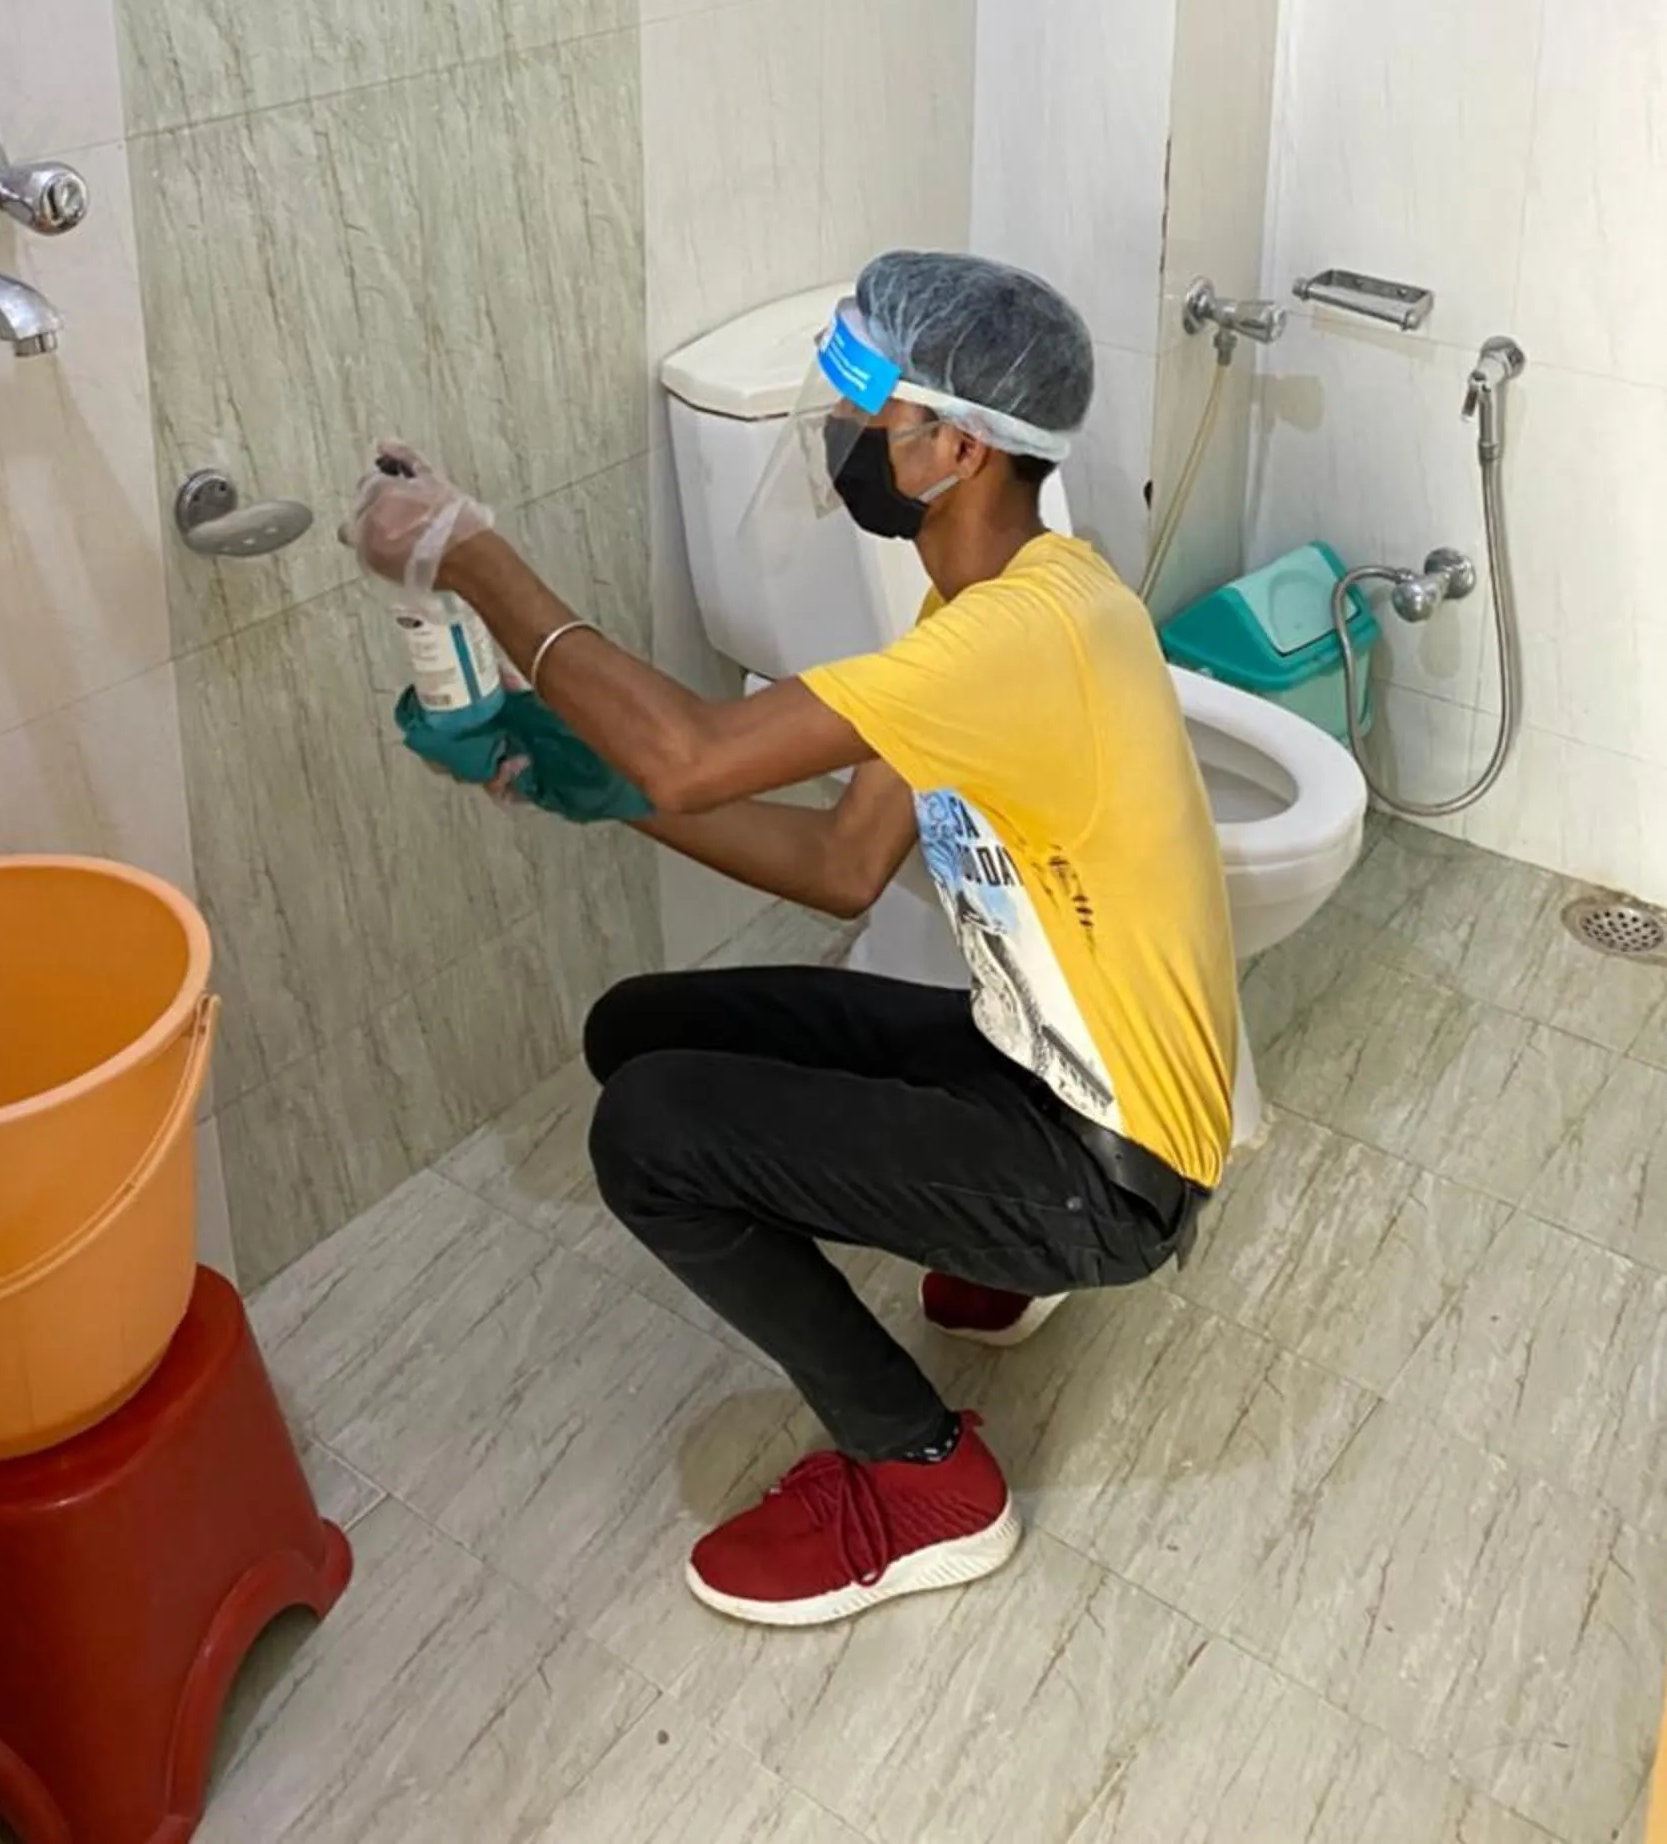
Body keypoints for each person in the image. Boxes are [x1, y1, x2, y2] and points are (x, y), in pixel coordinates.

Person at [344, 251, 1236, 1630]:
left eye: (864, 401)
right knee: (639, 1030)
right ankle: (999, 1258)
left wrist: (470, 555)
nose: (837, 427)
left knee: (650, 1133)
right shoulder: (1000, 596)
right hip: (1047, 1063)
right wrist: (594, 786)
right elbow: (840, 863)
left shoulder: (1016, 640)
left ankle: (925, 1479)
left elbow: (694, 755)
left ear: (956, 447)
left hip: (1112, 1165)